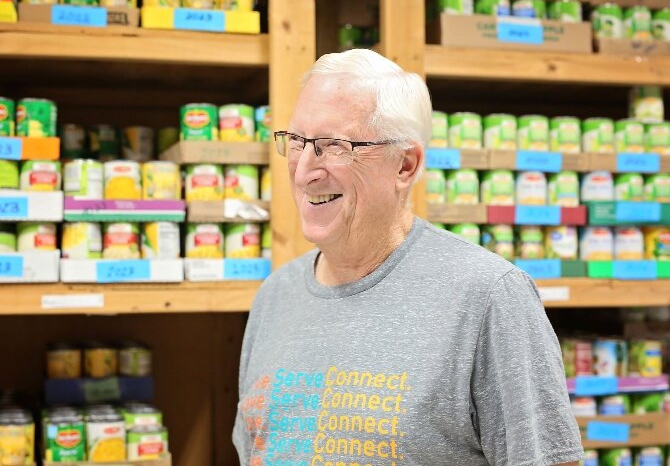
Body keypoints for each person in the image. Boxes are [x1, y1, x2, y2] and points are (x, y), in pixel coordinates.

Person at [233, 49, 582, 466]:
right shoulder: (275, 296)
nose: (304, 169)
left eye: (334, 146)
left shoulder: (489, 297)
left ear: (405, 165)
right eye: (297, 141)